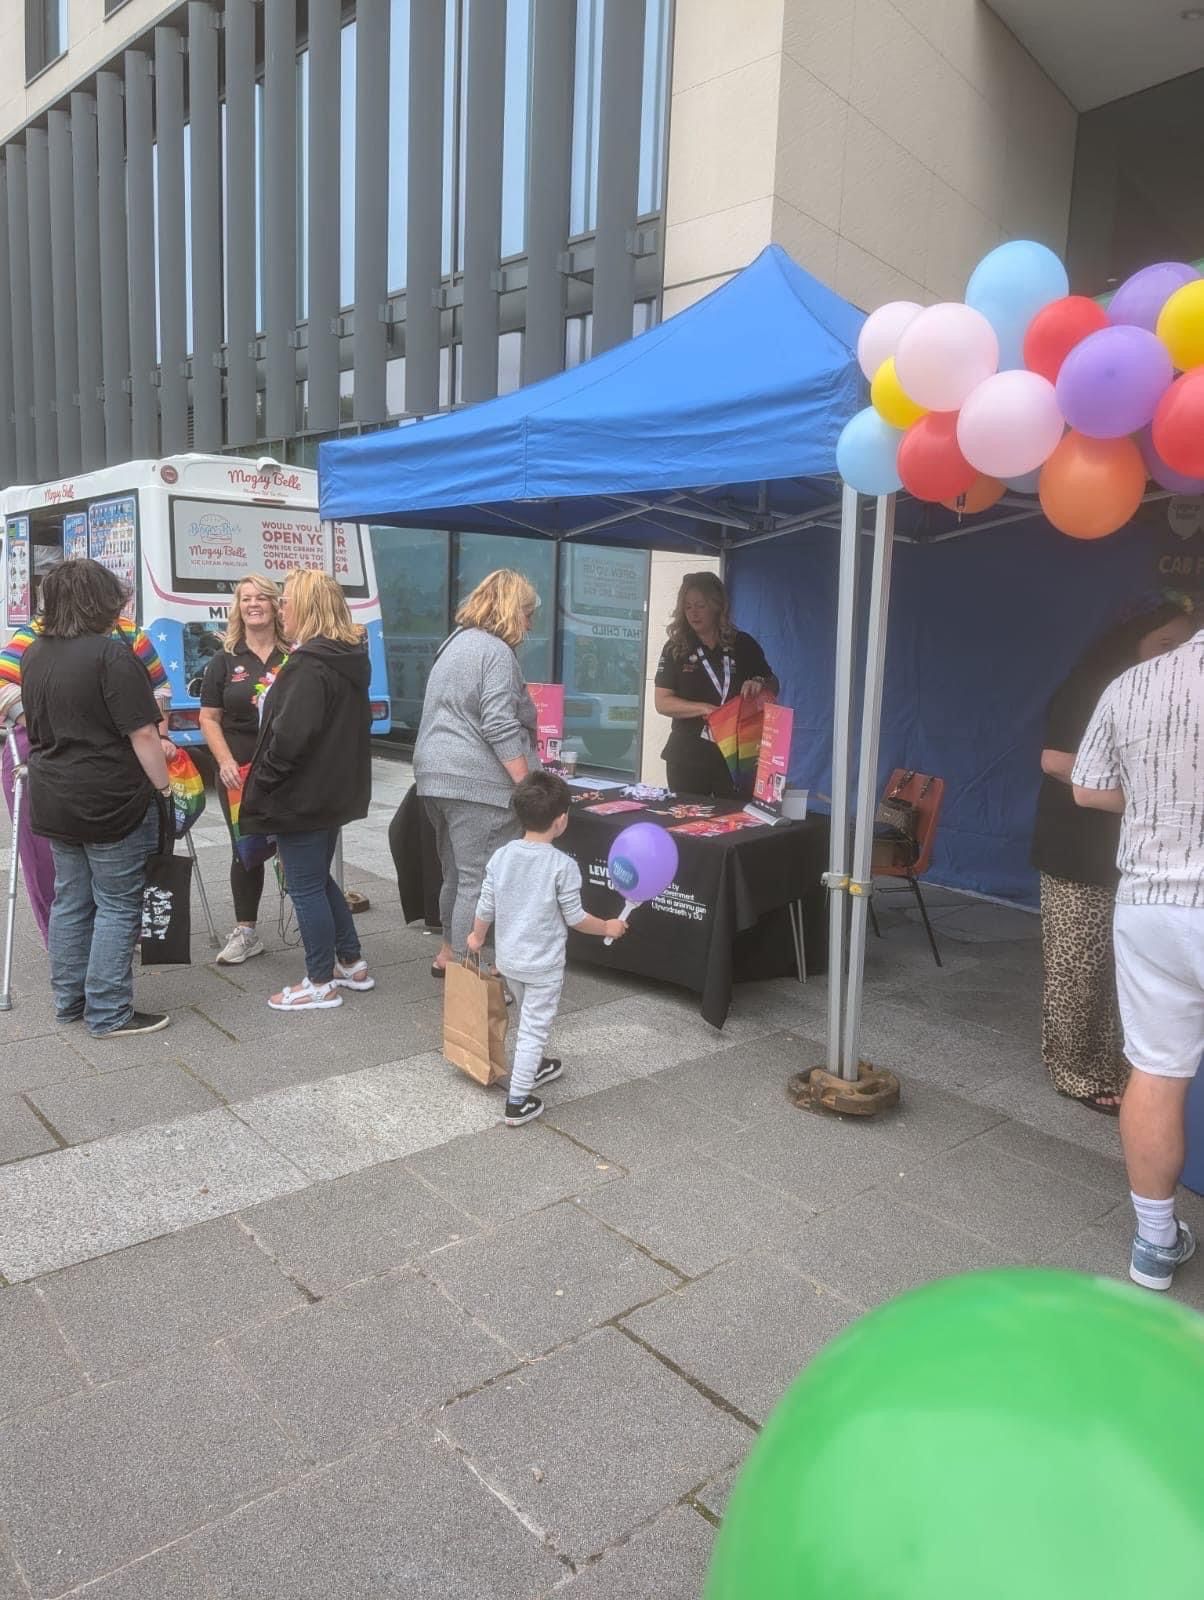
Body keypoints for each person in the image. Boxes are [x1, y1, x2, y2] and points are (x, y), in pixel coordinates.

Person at [1073, 614, 1203, 1292]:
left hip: (1152, 904)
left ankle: (1155, 1245)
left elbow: (1089, 787)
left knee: (1156, 1069)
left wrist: (1159, 801)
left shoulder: (1133, 683)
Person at [1031, 601, 1195, 1113]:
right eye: (1164, 643)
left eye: (1183, 644)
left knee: (1117, 971)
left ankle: (1116, 1065)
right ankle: (1074, 1070)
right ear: (1134, 640)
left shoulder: (1166, 693)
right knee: (1077, 968)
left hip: (1130, 852)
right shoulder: (1100, 684)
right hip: (1076, 848)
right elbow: (1055, 760)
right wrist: (1149, 791)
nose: (1174, 655)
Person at [20, 560, 173, 1037]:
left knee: (71, 899)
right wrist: (164, 789)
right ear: (98, 601)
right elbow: (144, 734)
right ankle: (108, 1012)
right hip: (110, 798)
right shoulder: (111, 656)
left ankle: (70, 1001)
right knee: (117, 903)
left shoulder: (34, 654)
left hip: (54, 795)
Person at [240, 569, 373, 1012]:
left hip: (301, 797)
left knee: (304, 885)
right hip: (331, 793)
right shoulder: (345, 658)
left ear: (309, 607)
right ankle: (350, 962)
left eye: (288, 600)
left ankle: (319, 981)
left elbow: (290, 740)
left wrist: (263, 782)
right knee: (316, 878)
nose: (282, 608)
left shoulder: (308, 665)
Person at [1, 603, 171, 947]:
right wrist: (44, 721)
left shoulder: (128, 633)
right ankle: (74, 946)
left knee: (123, 869)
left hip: (123, 758)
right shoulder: (34, 635)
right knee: (52, 868)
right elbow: (3, 685)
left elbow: (160, 688)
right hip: (43, 756)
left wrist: (161, 734)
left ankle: (119, 938)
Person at [467, 770, 627, 1126]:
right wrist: (608, 927)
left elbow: (485, 905)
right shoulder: (562, 866)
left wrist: (477, 937)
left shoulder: (502, 856)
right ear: (562, 820)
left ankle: (534, 1066)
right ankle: (518, 1101)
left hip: (509, 960)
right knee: (534, 1027)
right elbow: (575, 918)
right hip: (542, 965)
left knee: (527, 1015)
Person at [414, 569, 540, 977]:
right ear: (508, 610)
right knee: (478, 879)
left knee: (456, 872)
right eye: (526, 612)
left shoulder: (454, 644)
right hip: (478, 784)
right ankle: (469, 972)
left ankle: (449, 954)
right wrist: (529, 787)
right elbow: (499, 725)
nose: (530, 623)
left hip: (435, 776)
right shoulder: (497, 653)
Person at [199, 573, 289, 965]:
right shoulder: (224, 659)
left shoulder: (295, 655)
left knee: (296, 849)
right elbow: (208, 718)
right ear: (238, 608)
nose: (253, 604)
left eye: (261, 598)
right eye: (245, 598)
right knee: (246, 852)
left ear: (275, 605)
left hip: (290, 772)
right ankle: (247, 932)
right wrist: (224, 762)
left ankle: (314, 925)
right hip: (240, 774)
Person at [654, 572, 778, 796]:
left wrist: (759, 682)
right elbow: (662, 703)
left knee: (733, 822)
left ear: (717, 606)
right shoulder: (675, 647)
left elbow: (773, 684)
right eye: (688, 606)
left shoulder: (742, 643)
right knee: (688, 824)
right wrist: (704, 709)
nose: (693, 613)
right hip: (688, 756)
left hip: (735, 757)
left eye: (700, 605)